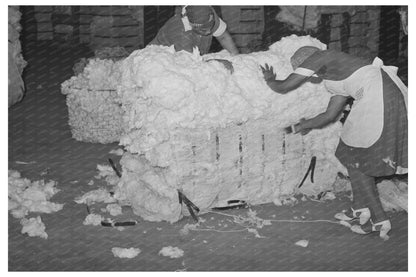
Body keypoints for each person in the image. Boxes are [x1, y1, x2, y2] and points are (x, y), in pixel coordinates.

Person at [261, 46, 408, 240]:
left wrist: (270, 80)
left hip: (379, 100)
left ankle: (379, 219)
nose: (311, 78)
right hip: (379, 97)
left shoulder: (321, 56)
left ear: (307, 63)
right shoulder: (335, 76)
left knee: (359, 162)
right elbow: (329, 115)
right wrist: (298, 127)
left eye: (303, 69)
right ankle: (359, 208)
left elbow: (285, 86)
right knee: (348, 152)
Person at [149, 5, 239, 56]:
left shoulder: (209, 14)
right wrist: (219, 63)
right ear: (192, 25)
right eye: (203, 30)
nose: (208, 32)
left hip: (187, 58)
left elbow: (223, 37)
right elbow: (191, 65)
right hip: (157, 60)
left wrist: (236, 57)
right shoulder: (180, 32)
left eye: (210, 28)